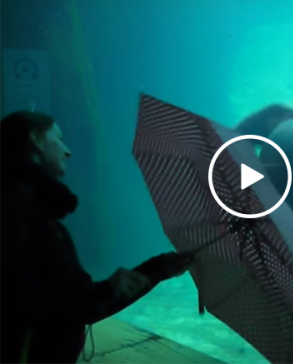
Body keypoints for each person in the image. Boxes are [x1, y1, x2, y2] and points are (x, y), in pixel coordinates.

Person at [0, 110, 194, 364]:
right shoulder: (15, 204)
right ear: (36, 139)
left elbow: (81, 306)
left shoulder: (33, 208)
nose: (67, 150)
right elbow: (24, 303)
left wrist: (158, 269)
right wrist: (110, 289)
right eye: (58, 138)